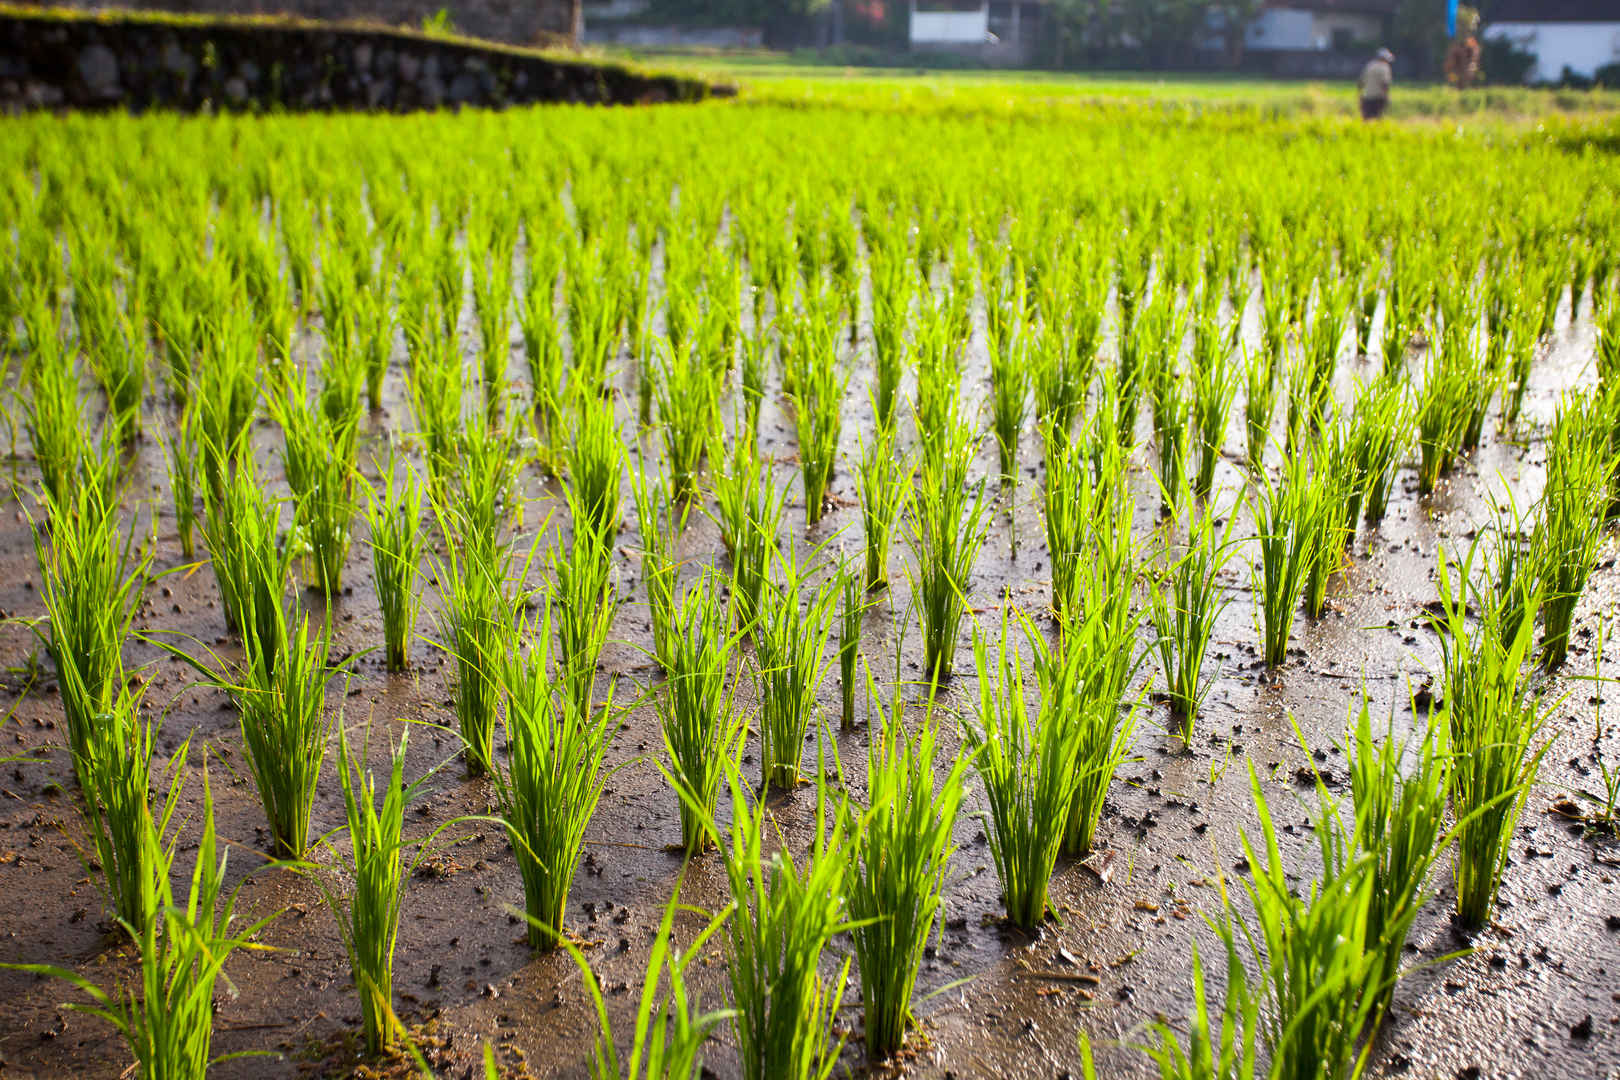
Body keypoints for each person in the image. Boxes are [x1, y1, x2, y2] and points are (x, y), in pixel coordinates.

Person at [1358, 48, 1394, 120]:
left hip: (1367, 97)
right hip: (1378, 98)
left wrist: (1359, 95)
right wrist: (1387, 96)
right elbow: (1385, 83)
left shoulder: (1369, 66)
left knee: (1366, 120)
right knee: (1377, 119)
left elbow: (1361, 82)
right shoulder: (1384, 67)